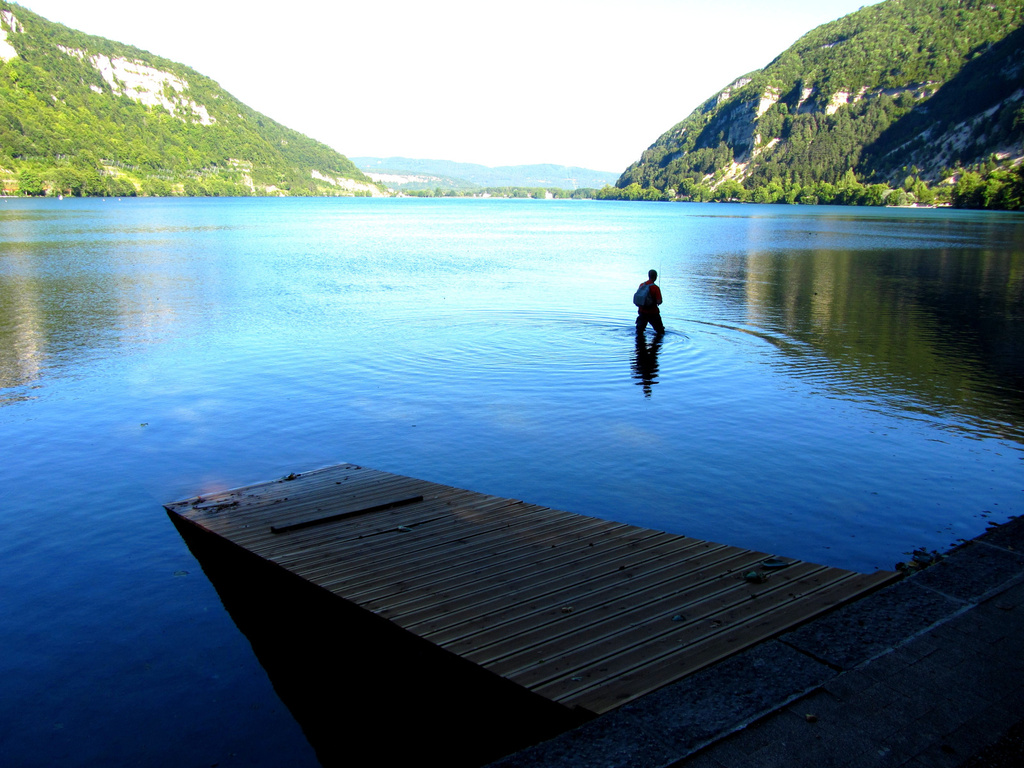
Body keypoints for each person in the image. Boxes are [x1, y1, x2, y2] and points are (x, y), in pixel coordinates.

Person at [635, 269, 664, 335]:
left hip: (642, 311)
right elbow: (659, 301)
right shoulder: (655, 288)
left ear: (649, 276)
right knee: (660, 332)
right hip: (653, 313)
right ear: (655, 277)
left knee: (639, 332)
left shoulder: (642, 285)